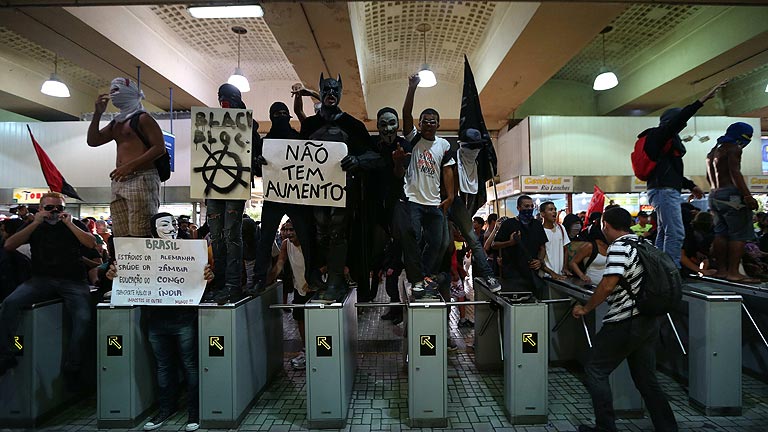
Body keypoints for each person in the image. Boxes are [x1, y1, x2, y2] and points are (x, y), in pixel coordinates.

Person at [572, 206, 677, 432]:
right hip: (649, 320)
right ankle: (668, 428)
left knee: (595, 370)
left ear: (606, 226)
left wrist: (586, 308)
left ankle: (605, 428)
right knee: (647, 380)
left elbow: (609, 284)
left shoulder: (619, 247)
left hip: (626, 320)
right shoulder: (644, 244)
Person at [106, 212, 211, 432]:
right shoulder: (140, 252)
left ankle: (194, 411)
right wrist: (116, 275)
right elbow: (123, 275)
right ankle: (166, 408)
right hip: (156, 319)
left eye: (173, 223)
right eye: (165, 224)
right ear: (154, 229)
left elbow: (202, 280)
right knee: (164, 367)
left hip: (184, 318)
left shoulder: (189, 251)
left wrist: (208, 276)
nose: (172, 227)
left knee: (189, 366)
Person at [300, 74, 380, 302]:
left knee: (337, 233)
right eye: (327, 89)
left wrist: (357, 160)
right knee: (319, 232)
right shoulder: (309, 125)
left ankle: (336, 280)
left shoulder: (353, 125)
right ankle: (323, 276)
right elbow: (292, 154)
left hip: (343, 194)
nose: (331, 94)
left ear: (341, 92)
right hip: (315, 193)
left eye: (335, 90)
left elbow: (374, 155)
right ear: (321, 90)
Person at [0, 192, 96, 383]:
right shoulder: (34, 225)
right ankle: (6, 354)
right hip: (41, 279)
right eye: (49, 208)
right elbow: (9, 246)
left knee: (83, 318)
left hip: (73, 281)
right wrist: (35, 223)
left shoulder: (74, 223)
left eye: (58, 208)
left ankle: (73, 366)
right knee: (9, 304)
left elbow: (91, 243)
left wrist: (69, 224)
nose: (54, 212)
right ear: (41, 208)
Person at [641, 79, 727, 267]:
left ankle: (660, 268)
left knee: (664, 232)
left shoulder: (665, 143)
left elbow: (672, 173)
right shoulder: (661, 134)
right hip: (664, 191)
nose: (683, 126)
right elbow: (679, 120)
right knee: (675, 232)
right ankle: (670, 272)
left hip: (663, 189)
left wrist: (690, 185)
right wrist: (702, 100)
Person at [393, 74, 455, 300]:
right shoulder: (413, 139)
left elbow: (447, 169)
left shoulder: (444, 144)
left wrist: (450, 197)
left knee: (439, 243)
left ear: (438, 124)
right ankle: (416, 279)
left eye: (433, 121)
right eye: (425, 120)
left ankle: (424, 277)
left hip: (434, 203)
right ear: (420, 124)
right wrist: (412, 88)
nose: (429, 124)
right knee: (414, 241)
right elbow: (406, 114)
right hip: (413, 201)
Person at [87, 78, 164, 238]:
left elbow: (159, 148)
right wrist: (97, 114)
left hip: (141, 177)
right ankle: (125, 262)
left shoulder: (143, 118)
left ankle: (141, 262)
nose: (112, 95)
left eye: (116, 91)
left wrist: (130, 166)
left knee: (140, 231)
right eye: (111, 91)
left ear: (129, 93)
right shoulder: (117, 122)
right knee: (121, 233)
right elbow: (93, 141)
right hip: (120, 180)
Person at [250, 100, 313, 294]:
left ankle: (312, 275)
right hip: (276, 195)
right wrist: (258, 162)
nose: (281, 118)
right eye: (277, 115)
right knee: (266, 239)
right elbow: (258, 170)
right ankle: (259, 278)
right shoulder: (265, 143)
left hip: (293, 196)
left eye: (283, 114)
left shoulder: (296, 138)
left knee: (306, 236)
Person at [204, 83, 259, 304]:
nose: (223, 100)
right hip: (215, 184)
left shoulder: (248, 124)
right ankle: (223, 283)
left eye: (227, 97)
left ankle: (231, 284)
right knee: (218, 236)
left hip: (232, 183)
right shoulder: (211, 122)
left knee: (230, 235)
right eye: (220, 97)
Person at [445, 128, 501, 292]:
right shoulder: (451, 160)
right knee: (442, 244)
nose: (473, 151)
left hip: (459, 206)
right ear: (461, 145)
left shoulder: (477, 164)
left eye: (476, 147)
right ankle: (430, 276)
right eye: (470, 147)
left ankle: (488, 275)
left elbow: (473, 196)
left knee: (473, 241)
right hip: (445, 202)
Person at [705, 121, 758, 282]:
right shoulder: (734, 148)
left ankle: (722, 270)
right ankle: (734, 272)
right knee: (739, 235)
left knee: (721, 233)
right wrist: (748, 196)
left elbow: (708, 177)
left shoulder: (713, 151)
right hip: (731, 196)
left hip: (714, 194)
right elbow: (735, 173)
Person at [266, 220, 311, 369]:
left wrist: (312, 281)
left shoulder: (309, 241)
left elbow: (323, 265)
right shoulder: (286, 244)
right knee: (300, 320)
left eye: (292, 229)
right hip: (300, 288)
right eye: (285, 229)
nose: (288, 233)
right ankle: (306, 350)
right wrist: (267, 280)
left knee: (316, 321)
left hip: (315, 289)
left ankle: (318, 350)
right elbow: (280, 264)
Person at [491, 195, 547, 294]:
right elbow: (494, 244)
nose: (529, 209)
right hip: (512, 274)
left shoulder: (537, 225)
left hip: (531, 273)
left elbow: (542, 247)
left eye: (531, 206)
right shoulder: (508, 224)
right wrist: (510, 243)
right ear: (518, 208)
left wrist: (539, 261)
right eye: (526, 206)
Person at [539, 201, 569, 280]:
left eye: (555, 209)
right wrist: (552, 273)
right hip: (545, 276)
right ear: (542, 214)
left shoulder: (561, 228)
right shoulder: (539, 231)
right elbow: (539, 257)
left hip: (560, 275)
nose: (554, 212)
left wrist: (565, 267)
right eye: (550, 209)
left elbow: (565, 249)